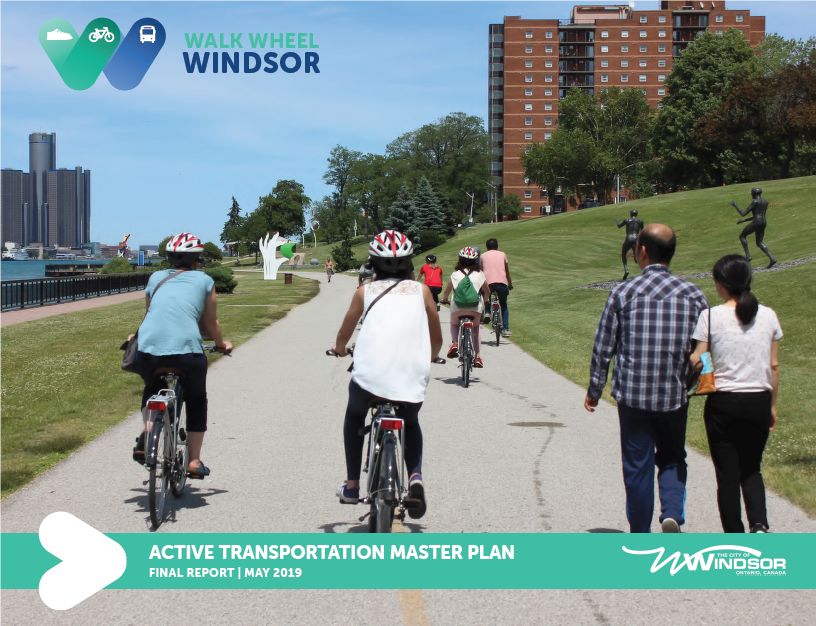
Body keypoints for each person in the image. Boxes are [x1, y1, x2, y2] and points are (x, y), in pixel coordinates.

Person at [584, 224, 708, 533]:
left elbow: (604, 345)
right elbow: (705, 346)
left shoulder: (623, 293)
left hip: (633, 396)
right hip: (673, 394)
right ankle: (672, 512)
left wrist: (595, 390)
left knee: (636, 465)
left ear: (641, 251)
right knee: (673, 456)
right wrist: (694, 379)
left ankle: (640, 531)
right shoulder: (693, 295)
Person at [332, 230, 443, 519]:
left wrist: (340, 348)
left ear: (373, 264)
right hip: (411, 375)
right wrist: (430, 356)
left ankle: (353, 485)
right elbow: (437, 339)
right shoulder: (423, 292)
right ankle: (415, 477)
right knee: (411, 419)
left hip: (369, 378)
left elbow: (344, 333)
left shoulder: (364, 292)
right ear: (409, 263)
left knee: (354, 416)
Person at [690, 255, 781, 533]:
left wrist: (706, 377)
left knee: (727, 476)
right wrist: (772, 407)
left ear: (720, 284)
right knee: (752, 468)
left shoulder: (710, 316)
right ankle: (759, 524)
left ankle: (734, 534)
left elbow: (698, 358)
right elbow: (773, 366)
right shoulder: (768, 315)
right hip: (758, 400)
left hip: (724, 402)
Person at [131, 233, 233, 478]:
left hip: (148, 351)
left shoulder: (156, 277)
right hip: (187, 354)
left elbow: (151, 315)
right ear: (197, 260)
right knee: (197, 400)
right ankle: (195, 461)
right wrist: (221, 344)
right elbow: (211, 323)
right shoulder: (205, 280)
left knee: (151, 387)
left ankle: (147, 432)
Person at [441, 247, 490, 368]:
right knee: (476, 328)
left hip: (458, 307)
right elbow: (487, 291)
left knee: (454, 324)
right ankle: (477, 356)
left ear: (460, 260)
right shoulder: (480, 274)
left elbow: (447, 291)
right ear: (476, 261)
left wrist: (445, 299)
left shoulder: (455, 274)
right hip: (475, 308)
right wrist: (486, 299)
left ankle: (455, 343)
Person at [480, 238, 514, 336]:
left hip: (488, 284)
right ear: (497, 246)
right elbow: (507, 272)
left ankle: (487, 312)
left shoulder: (483, 256)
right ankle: (506, 329)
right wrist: (510, 284)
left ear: (487, 247)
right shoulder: (502, 254)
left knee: (486, 296)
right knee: (503, 305)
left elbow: (481, 272)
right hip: (502, 284)